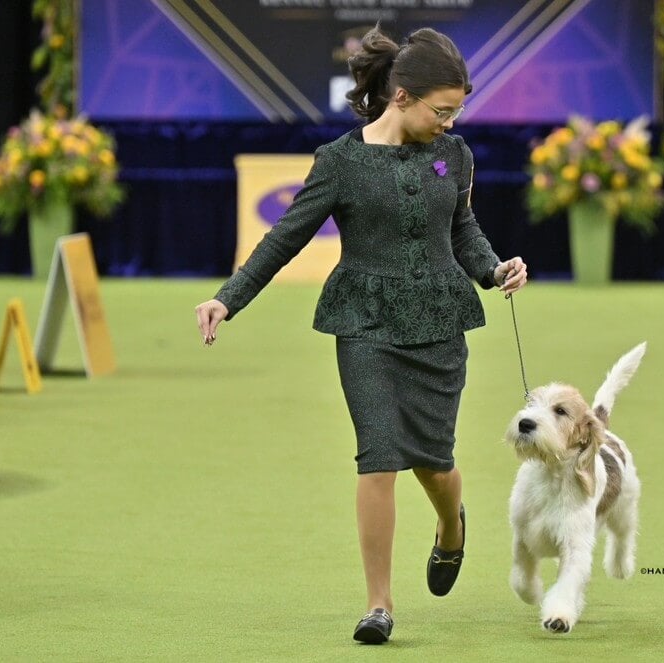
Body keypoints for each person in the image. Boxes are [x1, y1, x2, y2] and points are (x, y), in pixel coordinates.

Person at [193, 26, 528, 645]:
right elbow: (285, 236)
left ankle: (451, 525)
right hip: (364, 324)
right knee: (377, 455)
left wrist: (494, 268)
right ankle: (379, 605)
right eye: (442, 111)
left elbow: (463, 231)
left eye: (456, 112)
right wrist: (227, 298)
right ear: (401, 96)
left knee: (433, 462)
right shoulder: (340, 162)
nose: (451, 124)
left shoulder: (454, 157)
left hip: (438, 322)